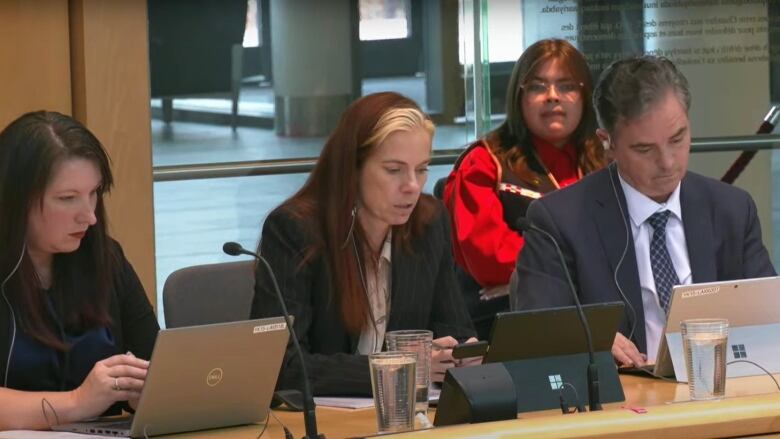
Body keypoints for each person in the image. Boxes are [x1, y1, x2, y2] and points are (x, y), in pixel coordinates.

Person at [510, 56, 776, 367]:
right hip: (622, 405)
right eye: (644, 149)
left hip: (719, 393)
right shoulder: (559, 220)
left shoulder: (731, 209)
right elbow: (535, 329)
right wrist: (590, 338)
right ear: (606, 142)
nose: (668, 162)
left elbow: (768, 322)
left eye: (677, 139)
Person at [251, 92, 477, 396]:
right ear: (352, 169)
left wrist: (461, 355)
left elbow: (456, 331)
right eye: (394, 170)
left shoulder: (429, 222)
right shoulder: (294, 229)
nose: (412, 185)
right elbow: (282, 366)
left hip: (411, 417)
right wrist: (404, 368)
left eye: (422, 169)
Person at [0, 111, 159, 430]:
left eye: (94, 193)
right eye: (68, 198)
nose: (89, 217)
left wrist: (149, 390)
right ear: (14, 201)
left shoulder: (106, 256)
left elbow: (154, 359)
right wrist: (77, 402)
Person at [442, 39, 605, 339]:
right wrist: (583, 275)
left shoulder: (604, 162)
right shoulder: (484, 163)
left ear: (585, 96)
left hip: (596, 327)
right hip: (501, 332)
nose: (552, 97)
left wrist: (535, 275)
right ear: (519, 97)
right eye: (537, 87)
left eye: (567, 86)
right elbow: (489, 259)